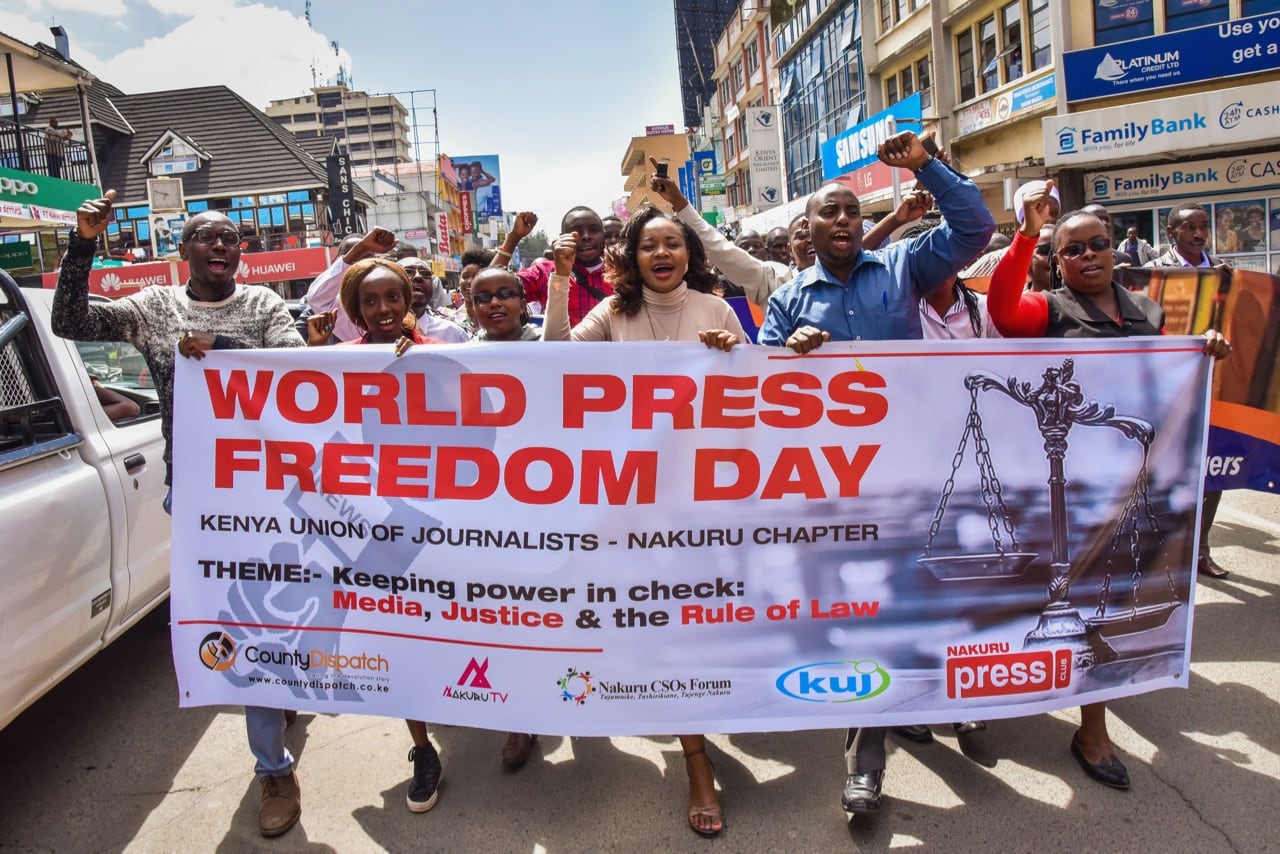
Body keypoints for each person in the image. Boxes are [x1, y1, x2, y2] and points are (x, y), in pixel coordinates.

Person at [52, 191, 308, 839]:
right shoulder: (154, 307)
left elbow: (299, 368)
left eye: (230, 237)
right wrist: (82, 243)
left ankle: (279, 694)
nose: (220, 246)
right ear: (183, 250)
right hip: (199, 493)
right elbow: (71, 323)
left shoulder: (264, 305)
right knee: (247, 622)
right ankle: (272, 766)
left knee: (282, 615)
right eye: (205, 237)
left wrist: (220, 344)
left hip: (274, 492)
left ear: (241, 252)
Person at [758, 131, 994, 817]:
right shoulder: (788, 300)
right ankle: (865, 763)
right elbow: (761, 391)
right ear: (808, 226)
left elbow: (975, 227)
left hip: (918, 472)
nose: (841, 222)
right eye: (828, 212)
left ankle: (955, 701)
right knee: (866, 615)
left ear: (862, 222)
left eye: (850, 213)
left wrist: (926, 165)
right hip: (837, 484)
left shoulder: (903, 266)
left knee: (934, 593)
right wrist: (791, 357)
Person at [987, 183, 1231, 792]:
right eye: (1072, 250)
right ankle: (1012, 691)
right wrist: (1024, 234)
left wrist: (1201, 351)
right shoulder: (1048, 309)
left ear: (1114, 252)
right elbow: (1001, 311)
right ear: (1059, 261)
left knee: (1105, 595)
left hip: (1128, 480)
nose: (1089, 256)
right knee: (1049, 594)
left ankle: (1091, 725)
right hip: (1062, 482)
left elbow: (1158, 373)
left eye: (1099, 244)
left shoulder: (1148, 310)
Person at [543, 207, 741, 837]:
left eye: (672, 244)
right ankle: (695, 756)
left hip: (700, 502)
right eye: (649, 244)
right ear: (632, 255)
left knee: (690, 625)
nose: (662, 254)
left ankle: (697, 749)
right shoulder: (613, 314)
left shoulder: (718, 310)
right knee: (652, 620)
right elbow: (555, 362)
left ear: (690, 255)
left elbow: (754, 401)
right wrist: (559, 280)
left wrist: (731, 357)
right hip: (626, 500)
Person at [305, 259, 447, 813]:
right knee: (397, 634)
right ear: (355, 310)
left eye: (394, 297)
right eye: (370, 302)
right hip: (386, 521)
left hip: (456, 519)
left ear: (409, 298)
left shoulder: (447, 346)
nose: (385, 310)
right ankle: (423, 748)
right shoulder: (342, 361)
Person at [1145, 203, 1230, 579]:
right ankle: (1162, 552)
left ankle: (1201, 549)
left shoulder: (1226, 274)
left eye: (1202, 227)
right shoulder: (1152, 275)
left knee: (1213, 472)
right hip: (1167, 389)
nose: (1198, 234)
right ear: (1172, 234)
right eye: (1189, 228)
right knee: (1164, 473)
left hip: (1214, 386)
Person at [647, 159, 792, 308]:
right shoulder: (779, 279)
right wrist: (677, 200)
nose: (661, 253)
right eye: (648, 247)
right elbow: (716, 245)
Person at [498, 208, 612, 327]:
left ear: (603, 235)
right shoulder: (544, 273)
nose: (586, 236)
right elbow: (490, 287)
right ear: (562, 238)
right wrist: (513, 238)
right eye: (576, 231)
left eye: (593, 230)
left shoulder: (623, 271)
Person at [399, 257, 471, 338]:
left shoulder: (453, 333)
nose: (418, 276)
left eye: (425, 274)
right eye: (408, 272)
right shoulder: (382, 333)